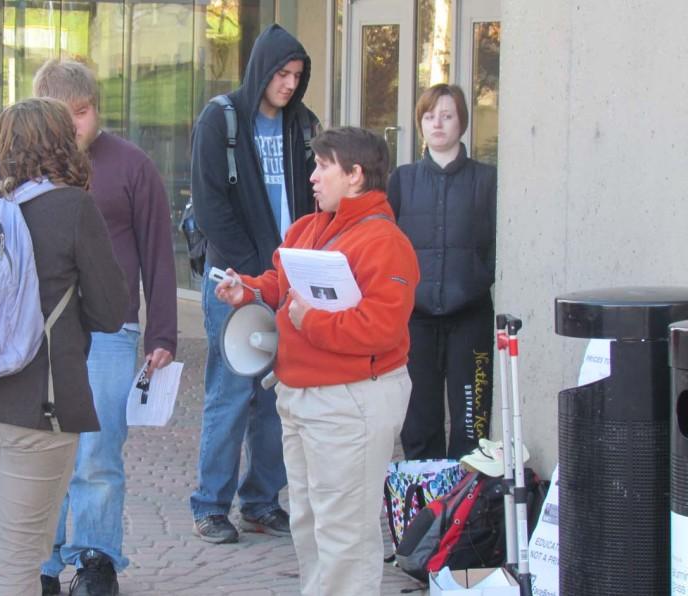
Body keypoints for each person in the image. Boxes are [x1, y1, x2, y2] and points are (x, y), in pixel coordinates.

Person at [0, 97, 128, 595]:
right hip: (37, 405)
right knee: (19, 561)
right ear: (63, 143)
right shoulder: (73, 206)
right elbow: (110, 311)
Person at [215, 126, 419, 595]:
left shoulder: (386, 243)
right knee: (310, 524)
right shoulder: (308, 228)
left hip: (351, 400)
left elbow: (381, 329)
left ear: (355, 176)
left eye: (324, 166)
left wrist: (311, 324)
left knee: (344, 533)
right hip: (302, 396)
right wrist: (248, 288)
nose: (312, 176)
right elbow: (280, 281)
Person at [32, 59, 178, 596]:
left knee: (97, 449)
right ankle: (41, 563)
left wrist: (162, 334)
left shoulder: (132, 166)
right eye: (62, 116)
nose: (75, 126)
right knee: (43, 448)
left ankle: (95, 559)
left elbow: (159, 253)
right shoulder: (26, 169)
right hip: (40, 333)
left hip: (111, 332)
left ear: (97, 108)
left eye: (83, 113)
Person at [189, 23, 320, 545]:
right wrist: (252, 274)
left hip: (288, 278)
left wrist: (293, 271)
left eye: (297, 76)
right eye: (281, 74)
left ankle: (262, 501)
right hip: (234, 279)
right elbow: (211, 203)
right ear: (261, 69)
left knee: (277, 393)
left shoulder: (304, 126)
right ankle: (210, 505)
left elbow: (314, 200)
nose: (289, 84)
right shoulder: (220, 119)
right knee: (231, 389)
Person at [389, 84, 498, 460]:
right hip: (415, 321)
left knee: (472, 423)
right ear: (420, 123)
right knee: (418, 422)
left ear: (462, 122)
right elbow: (386, 243)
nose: (438, 123)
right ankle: (427, 511)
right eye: (429, 116)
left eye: (447, 115)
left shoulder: (487, 181)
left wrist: (480, 275)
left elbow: (498, 242)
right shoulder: (402, 180)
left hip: (470, 318)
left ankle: (468, 512)